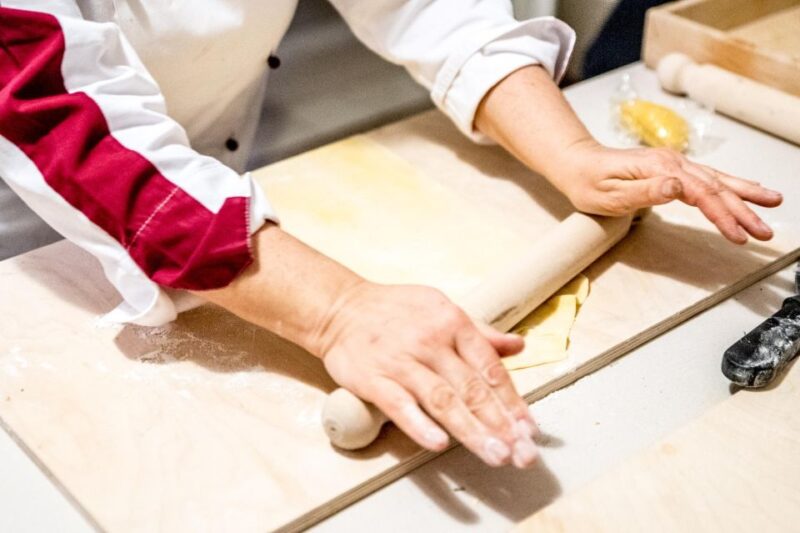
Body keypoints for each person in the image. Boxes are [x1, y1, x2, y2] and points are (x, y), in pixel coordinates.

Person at [0, 1, 782, 470]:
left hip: (205, 195)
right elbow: (52, 113)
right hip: (30, 231)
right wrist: (336, 308)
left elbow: (424, 4)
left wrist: (570, 151)